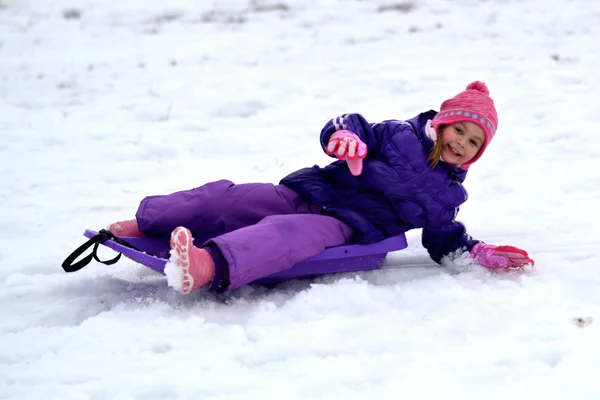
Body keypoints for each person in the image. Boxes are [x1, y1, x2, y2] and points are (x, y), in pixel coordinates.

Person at [108, 81, 534, 294]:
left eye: (474, 142)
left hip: (348, 225)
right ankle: (145, 221)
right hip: (312, 190)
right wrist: (343, 138)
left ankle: (206, 266)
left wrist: (475, 253)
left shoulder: (447, 195)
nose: (463, 143)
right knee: (231, 196)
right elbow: (350, 124)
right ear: (443, 123)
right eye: (460, 130)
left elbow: (444, 238)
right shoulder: (397, 134)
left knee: (284, 234)